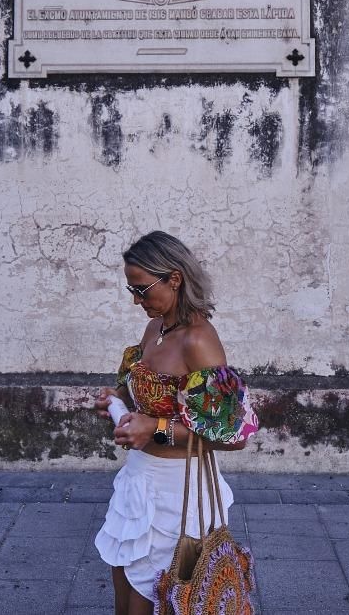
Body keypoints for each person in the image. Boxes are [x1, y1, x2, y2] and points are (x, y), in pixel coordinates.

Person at [93, 231, 259, 615]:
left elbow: (234, 436)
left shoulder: (198, 341)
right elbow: (148, 395)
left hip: (179, 492)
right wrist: (117, 399)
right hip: (138, 481)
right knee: (123, 583)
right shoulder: (156, 327)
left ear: (174, 279)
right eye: (131, 290)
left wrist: (154, 429)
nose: (136, 301)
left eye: (142, 290)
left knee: (154, 597)